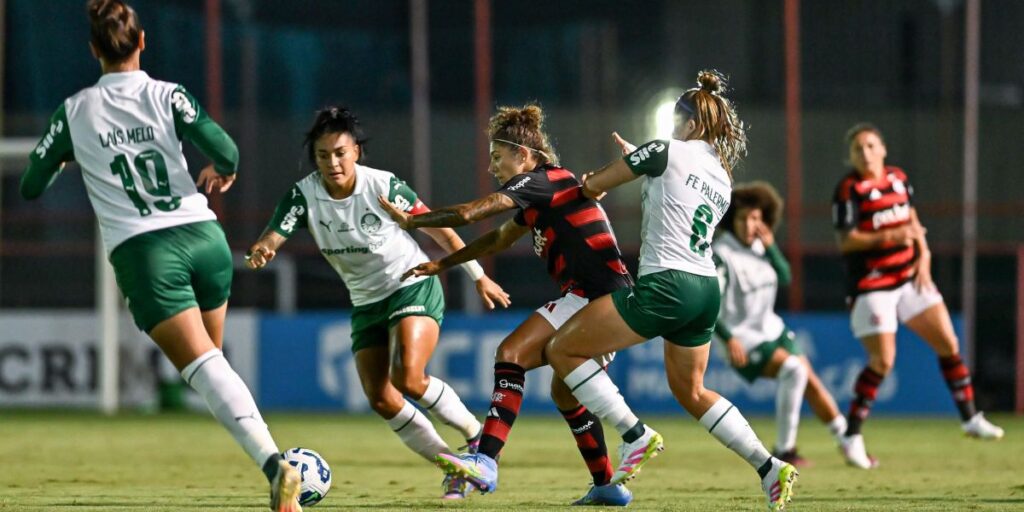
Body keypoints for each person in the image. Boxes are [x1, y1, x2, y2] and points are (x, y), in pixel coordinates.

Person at [19, 1, 302, 510]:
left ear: (92, 50)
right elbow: (227, 152)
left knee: (204, 372)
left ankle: (275, 467)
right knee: (210, 367)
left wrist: (66, 155)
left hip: (147, 254)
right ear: (142, 41)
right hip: (205, 238)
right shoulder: (168, 94)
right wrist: (220, 171)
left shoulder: (75, 111)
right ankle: (263, 452)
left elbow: (30, 186)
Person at [542, 70, 798, 511]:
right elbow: (674, 190)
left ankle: (634, 435)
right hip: (705, 290)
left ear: (692, 124)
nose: (671, 129)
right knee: (692, 392)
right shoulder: (721, 176)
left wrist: (612, 171)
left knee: (561, 351)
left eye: (677, 121)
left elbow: (593, 186)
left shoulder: (663, 150)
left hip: (667, 284)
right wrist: (642, 160)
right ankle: (769, 466)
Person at [245, 106, 509, 500]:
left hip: (411, 283)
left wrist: (479, 276)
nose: (332, 163)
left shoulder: (382, 186)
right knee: (382, 398)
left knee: (409, 377)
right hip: (366, 301)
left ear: (356, 152)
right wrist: (263, 249)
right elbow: (273, 235)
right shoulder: (304, 195)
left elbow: (441, 230)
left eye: (340, 153)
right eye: (323, 155)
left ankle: (475, 438)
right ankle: (453, 467)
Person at [378, 104, 634, 506]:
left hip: (596, 295)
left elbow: (468, 214)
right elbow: (497, 240)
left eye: (498, 157)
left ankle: (486, 460)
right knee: (566, 395)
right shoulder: (545, 195)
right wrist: (442, 263)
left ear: (525, 155)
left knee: (510, 353)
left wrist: (413, 222)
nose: (493, 167)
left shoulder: (541, 181)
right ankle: (606, 485)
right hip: (600, 296)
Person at [830, 123, 1004, 468]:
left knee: (948, 343)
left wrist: (923, 255)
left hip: (910, 278)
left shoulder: (897, 178)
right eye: (857, 149)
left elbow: (912, 218)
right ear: (850, 157)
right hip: (872, 284)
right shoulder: (849, 189)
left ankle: (970, 418)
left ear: (883, 149)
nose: (864, 153)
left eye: (870, 146)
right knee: (883, 362)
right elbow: (847, 240)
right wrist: (892, 236)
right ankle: (851, 436)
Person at [713, 181, 848, 467]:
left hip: (771, 330)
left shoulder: (763, 247)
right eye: (744, 218)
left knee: (809, 379)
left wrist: (773, 248)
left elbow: (785, 277)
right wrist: (728, 339)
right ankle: (785, 450)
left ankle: (848, 440)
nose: (751, 225)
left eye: (757, 218)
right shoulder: (722, 255)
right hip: (741, 339)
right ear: (731, 221)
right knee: (794, 369)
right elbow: (710, 304)